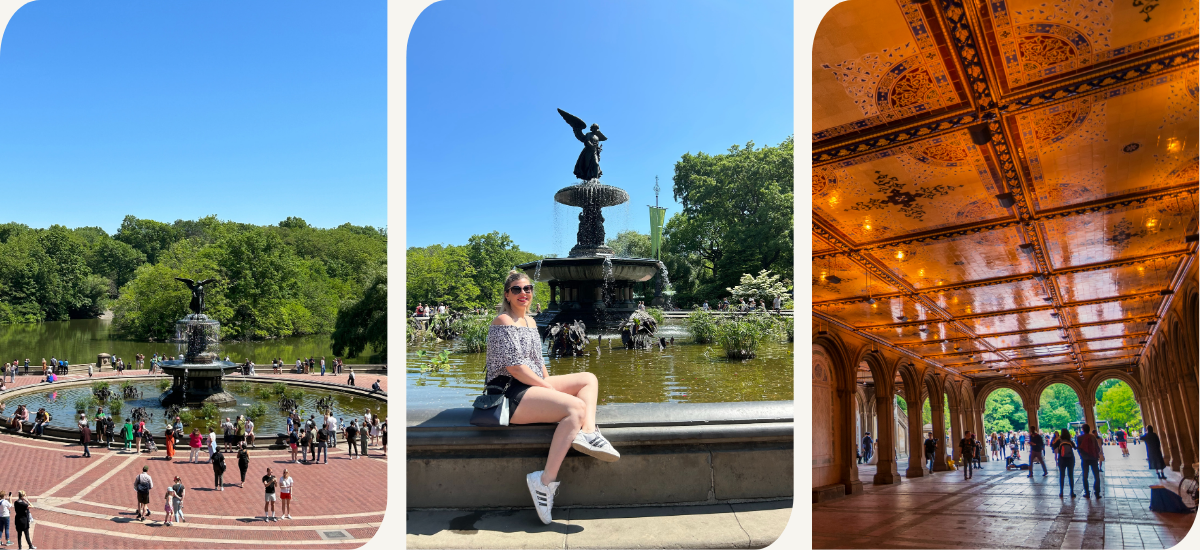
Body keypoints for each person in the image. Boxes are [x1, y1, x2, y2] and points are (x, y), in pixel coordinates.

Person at [486, 270, 619, 525]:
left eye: (527, 289)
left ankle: (588, 433)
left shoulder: (531, 322)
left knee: (588, 378)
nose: (523, 293)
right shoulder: (503, 321)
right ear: (507, 294)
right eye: (516, 289)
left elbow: (538, 362)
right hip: (509, 392)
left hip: (531, 386)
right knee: (575, 408)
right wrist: (550, 391)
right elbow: (515, 368)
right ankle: (543, 481)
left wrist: (548, 382)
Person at [1076, 424, 1103, 498]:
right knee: (1096, 476)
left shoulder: (1079, 438)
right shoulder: (1093, 437)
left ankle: (1087, 492)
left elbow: (1079, 448)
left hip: (1085, 459)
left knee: (1085, 476)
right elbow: (1097, 448)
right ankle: (1097, 492)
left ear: (1083, 429)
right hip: (1093, 458)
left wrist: (1081, 456)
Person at [1052, 428, 1077, 498]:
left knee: (1062, 475)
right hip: (1070, 459)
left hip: (1062, 459)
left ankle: (1061, 492)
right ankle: (1072, 492)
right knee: (1071, 475)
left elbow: (1053, 446)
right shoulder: (1070, 441)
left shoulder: (1059, 441)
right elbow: (1075, 447)